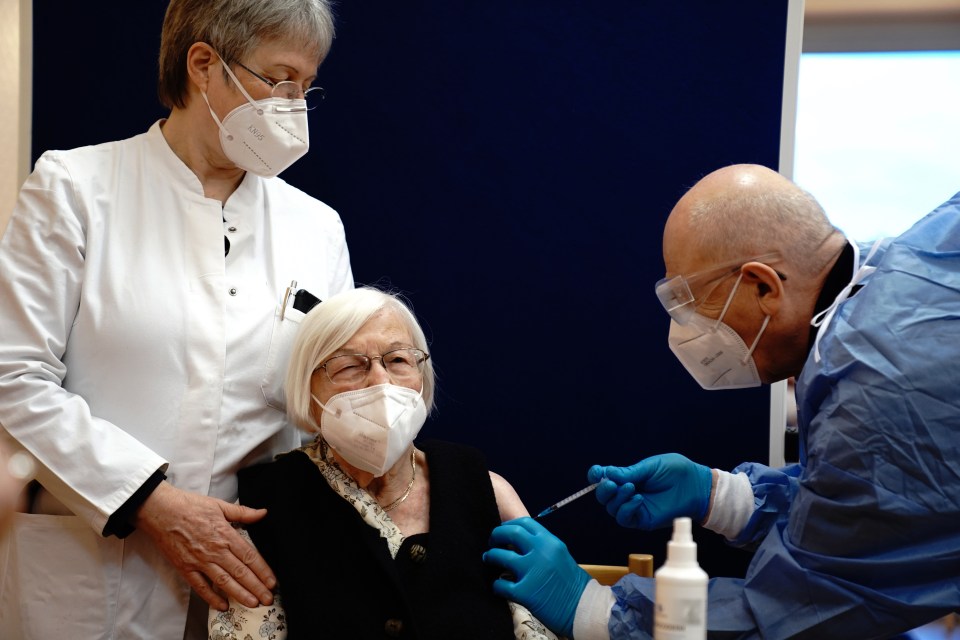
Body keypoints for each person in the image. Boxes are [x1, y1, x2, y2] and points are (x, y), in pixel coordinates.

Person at [483, 164, 960, 639]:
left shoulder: (873, 390)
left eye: (689, 304)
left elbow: (801, 610)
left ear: (763, 287)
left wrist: (593, 610)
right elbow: (882, 514)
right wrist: (726, 497)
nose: (682, 331)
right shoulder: (919, 263)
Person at [0, 1, 352, 637]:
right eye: (281, 81)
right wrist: (150, 502)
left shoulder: (316, 228)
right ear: (203, 65)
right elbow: (13, 377)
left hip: (253, 580)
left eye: (308, 87)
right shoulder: (76, 187)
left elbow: (331, 404)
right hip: (98, 566)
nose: (295, 107)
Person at [208, 286, 557, 639]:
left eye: (398, 360)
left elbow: (543, 621)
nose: (381, 381)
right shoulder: (266, 509)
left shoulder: (485, 489)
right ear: (308, 394)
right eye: (348, 366)